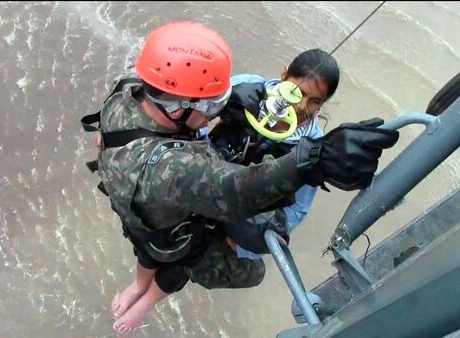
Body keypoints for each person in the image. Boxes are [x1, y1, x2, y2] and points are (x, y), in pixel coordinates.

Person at [81, 21, 399, 333]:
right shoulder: (172, 168)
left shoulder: (129, 90)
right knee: (190, 252)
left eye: (220, 99)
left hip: (140, 213)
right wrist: (312, 159)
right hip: (180, 212)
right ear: (177, 108)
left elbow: (294, 208)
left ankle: (141, 291)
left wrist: (229, 100)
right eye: (211, 104)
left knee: (151, 246)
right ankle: (143, 296)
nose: (214, 111)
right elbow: (229, 189)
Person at [205, 49, 339, 259]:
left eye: (315, 101)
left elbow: (298, 210)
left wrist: (245, 248)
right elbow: (199, 113)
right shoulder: (248, 86)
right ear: (284, 75)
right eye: (299, 93)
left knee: (251, 268)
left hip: (245, 204)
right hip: (205, 173)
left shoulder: (312, 147)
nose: (302, 106)